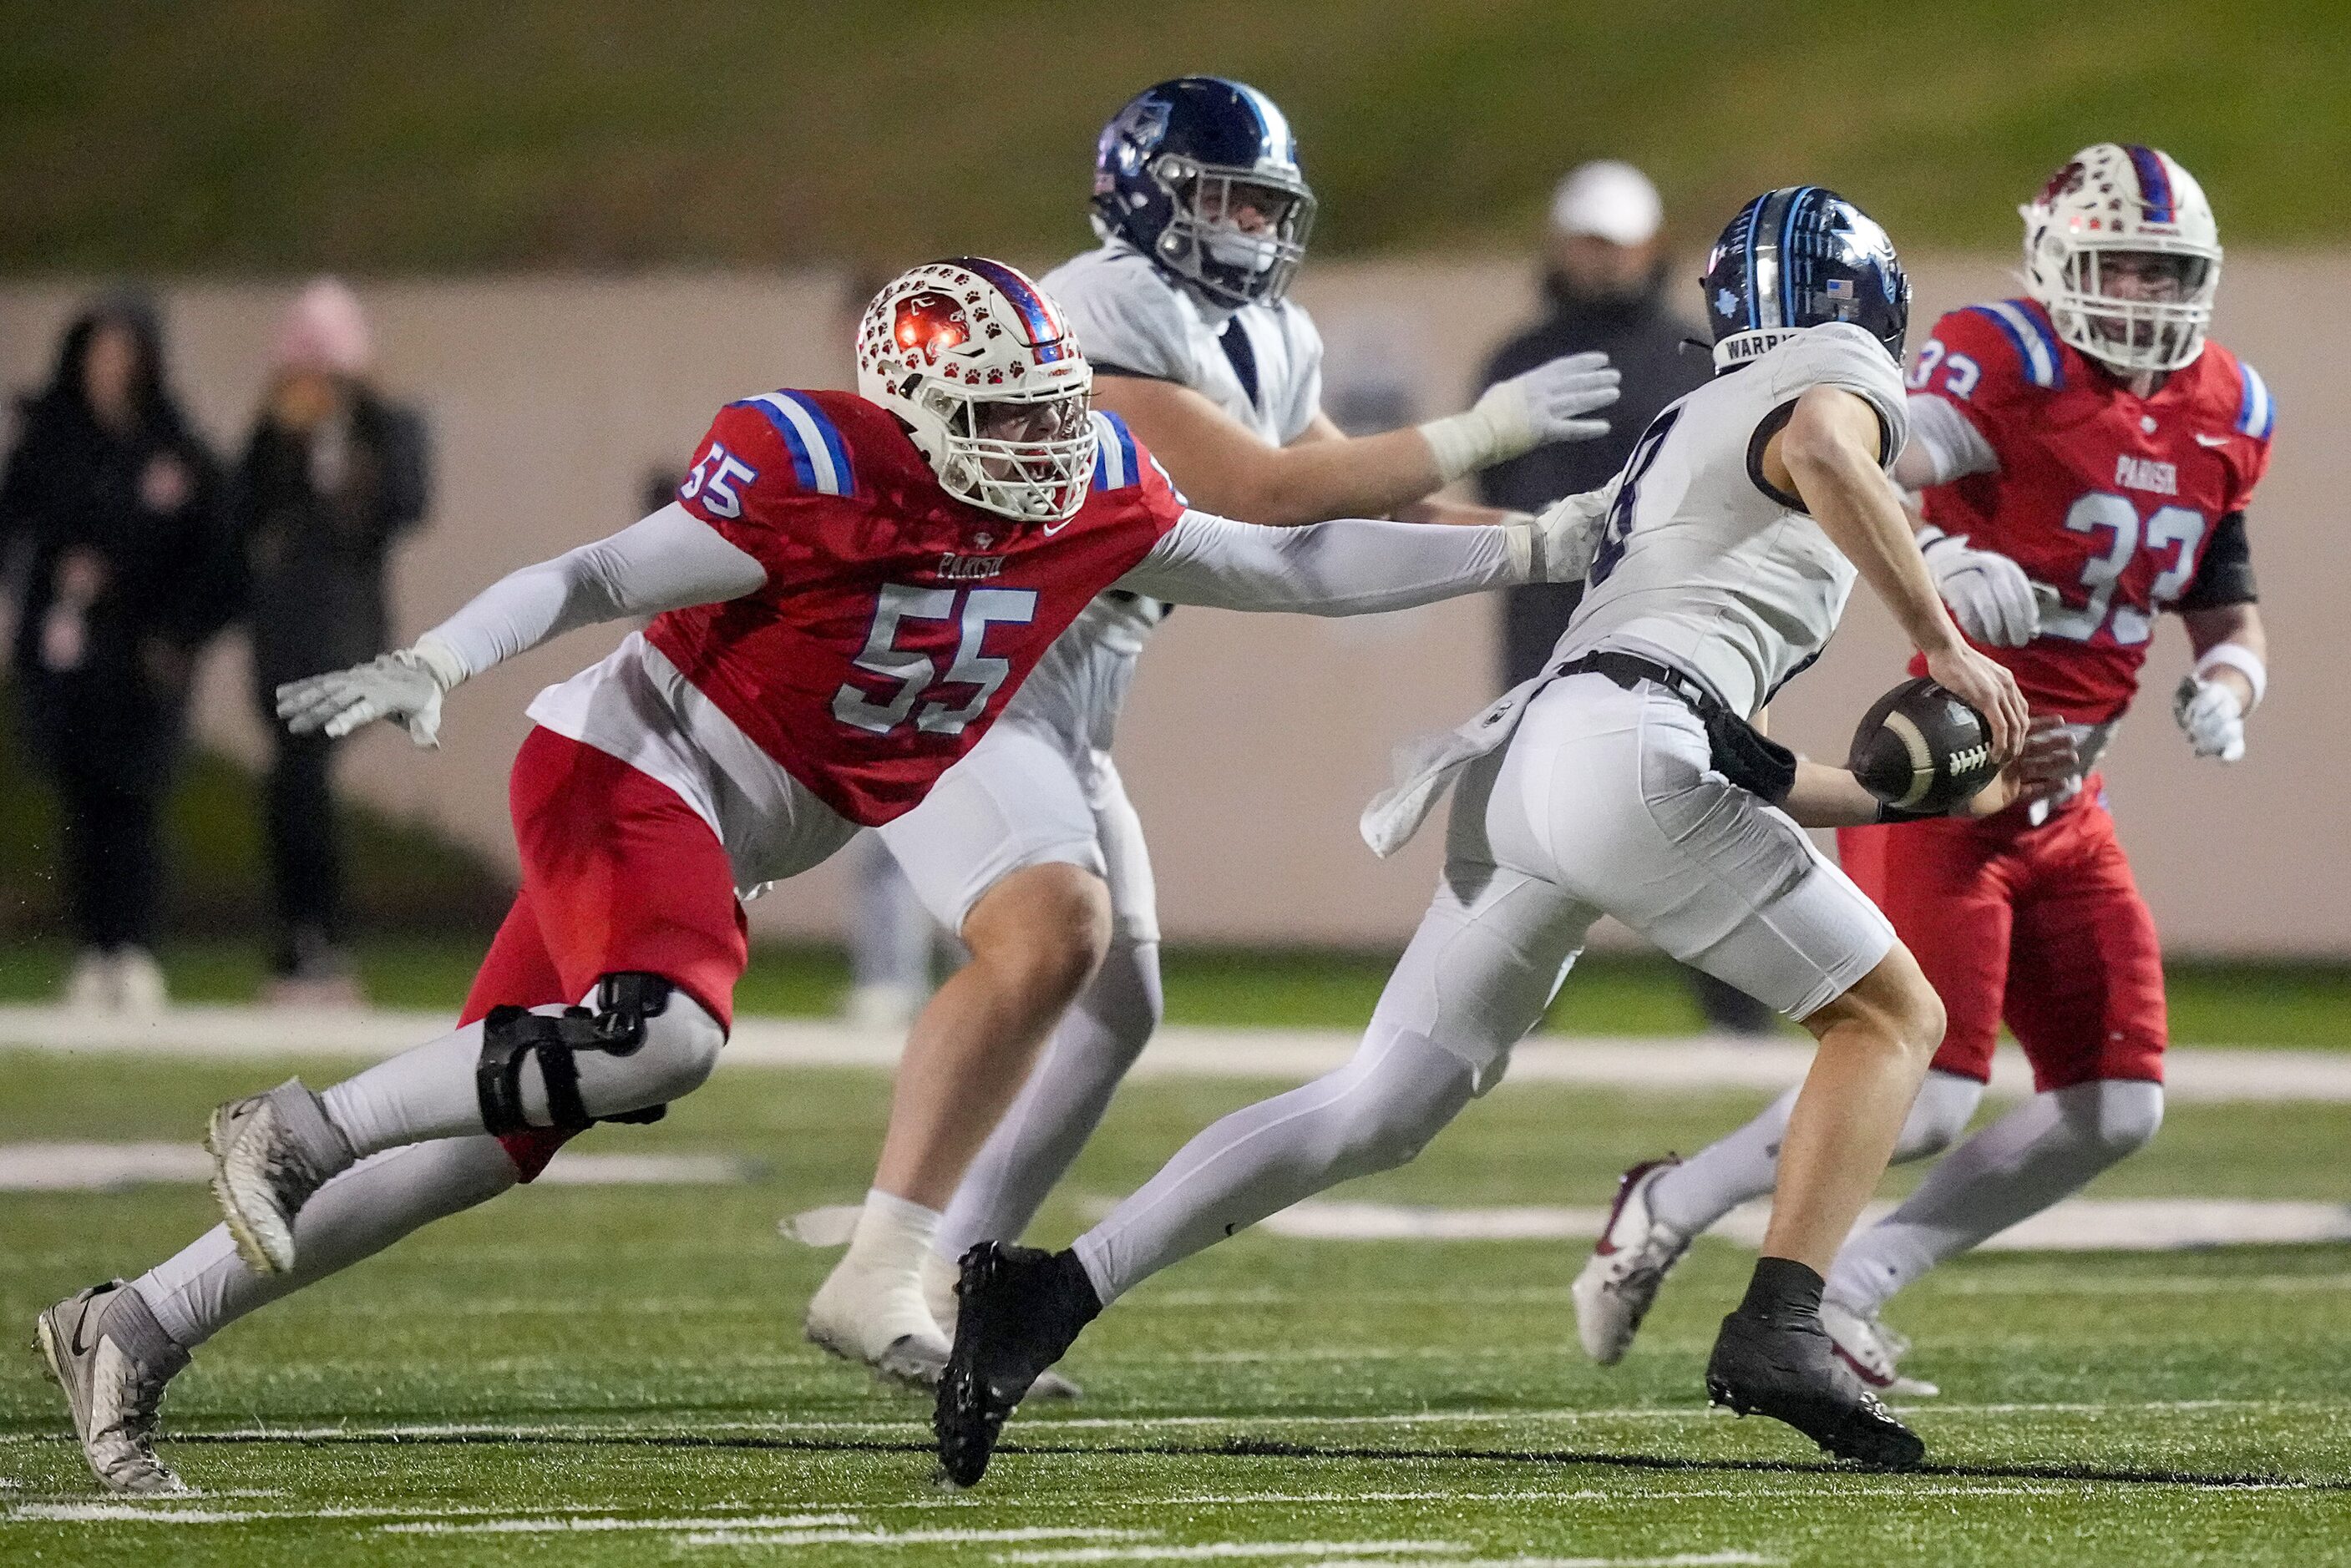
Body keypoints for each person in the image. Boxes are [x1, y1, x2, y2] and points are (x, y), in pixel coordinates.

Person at [33, 255, 1600, 1496]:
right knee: (667, 1037)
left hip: (732, 822)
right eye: (1005, 421)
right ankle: (297, 1126)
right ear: (914, 417)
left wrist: (1532, 549)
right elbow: (596, 573)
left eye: (1056, 409)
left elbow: (1290, 567)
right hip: (638, 770)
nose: (1047, 448)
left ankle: (137, 1321)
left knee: (489, 1142)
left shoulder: (1088, 485)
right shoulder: (814, 472)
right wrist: (442, 653)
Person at [933, 187, 2044, 1488]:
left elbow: (1713, 738)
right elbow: (1823, 449)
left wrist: (1883, 792)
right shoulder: (1831, 379)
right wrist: (1939, 635)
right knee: (1893, 1020)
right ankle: (1779, 1325)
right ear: (1867, 303)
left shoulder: (1684, 420)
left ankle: (1049, 1291)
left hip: (1545, 757)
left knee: (1379, 1104)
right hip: (1626, 749)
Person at [803, 77, 1622, 1388]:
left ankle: (957, 1279)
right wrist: (1476, 437)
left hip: (1076, 683)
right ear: (1144, 191)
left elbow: (1366, 511)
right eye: (1220, 194)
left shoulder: (1268, 333)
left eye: (1262, 200)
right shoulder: (1093, 305)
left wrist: (1579, 544)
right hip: (975, 654)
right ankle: (877, 1268)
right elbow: (1259, 492)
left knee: (1118, 1003)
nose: (1245, 221)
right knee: (1049, 943)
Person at [1570, 144, 2272, 1398]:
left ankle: (1853, 1282)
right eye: (2114, 264)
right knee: (1934, 1092)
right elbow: (1854, 467)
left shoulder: (2225, 403)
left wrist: (2229, 683)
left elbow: (2223, 604)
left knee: (2116, 1106)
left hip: (2072, 800)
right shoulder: (1998, 357)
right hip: (1953, 780)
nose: (2138, 293)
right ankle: (1672, 1203)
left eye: (2162, 272)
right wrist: (1941, 567)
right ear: (2054, 262)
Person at [1477, 159, 1774, 1036]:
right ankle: (1512, 1009)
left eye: (1617, 242)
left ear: (1651, 246)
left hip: (1677, 627)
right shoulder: (1518, 359)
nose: (1602, 260)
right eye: (1587, 242)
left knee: (1700, 805)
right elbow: (1492, 495)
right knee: (1534, 824)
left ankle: (1739, 1015)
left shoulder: (1697, 357)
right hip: (1544, 632)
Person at [0, 294, 231, 1013]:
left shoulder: (174, 448)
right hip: (69, 657)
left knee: (133, 801)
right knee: (81, 802)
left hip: (141, 658)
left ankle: (133, 947)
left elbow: (216, 555)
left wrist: (179, 635)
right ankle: (92, 948)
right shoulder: (50, 439)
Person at [234, 279, 432, 1003]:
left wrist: (361, 429)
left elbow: (405, 504)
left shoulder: (386, 425)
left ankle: (318, 936)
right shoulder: (274, 433)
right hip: (283, 632)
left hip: (345, 632)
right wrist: (282, 437)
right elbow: (244, 512)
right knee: (292, 782)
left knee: (302, 778)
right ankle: (304, 937)